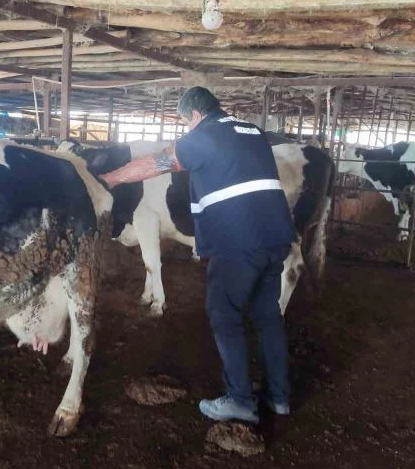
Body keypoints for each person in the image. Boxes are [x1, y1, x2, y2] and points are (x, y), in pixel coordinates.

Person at [99, 86, 295, 423]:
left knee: (224, 314)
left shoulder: (205, 134)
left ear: (194, 115)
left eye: (185, 123)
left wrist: (108, 179)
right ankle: (279, 398)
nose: (186, 129)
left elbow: (158, 164)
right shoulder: (253, 132)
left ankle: (240, 401)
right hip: (275, 236)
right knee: (267, 316)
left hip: (238, 240)